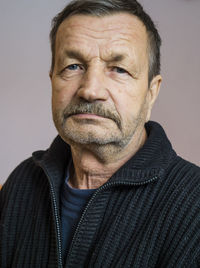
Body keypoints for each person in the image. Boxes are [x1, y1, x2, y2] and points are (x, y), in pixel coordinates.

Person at [0, 0, 200, 267]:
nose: (90, 90)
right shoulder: (21, 183)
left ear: (151, 94)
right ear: (52, 80)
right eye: (73, 66)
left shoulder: (193, 204)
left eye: (119, 69)